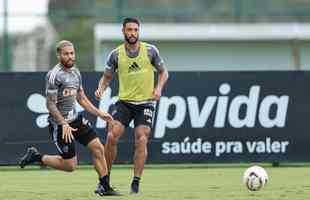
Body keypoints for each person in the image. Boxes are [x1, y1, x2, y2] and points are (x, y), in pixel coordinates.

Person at [19, 40, 120, 196]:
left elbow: (81, 98)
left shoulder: (75, 72)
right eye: (66, 54)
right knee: (70, 165)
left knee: (98, 147)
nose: (70, 56)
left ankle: (104, 186)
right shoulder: (54, 75)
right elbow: (50, 105)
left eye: (72, 53)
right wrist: (63, 123)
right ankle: (37, 157)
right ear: (59, 55)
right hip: (59, 125)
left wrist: (99, 113)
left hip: (75, 119)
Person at [95, 17, 169, 194]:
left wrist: (158, 88)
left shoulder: (150, 51)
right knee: (112, 135)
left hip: (145, 103)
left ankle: (135, 183)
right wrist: (101, 88)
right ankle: (105, 180)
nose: (133, 33)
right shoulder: (115, 54)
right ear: (123, 31)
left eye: (135, 30)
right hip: (125, 102)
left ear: (139, 31)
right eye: (129, 30)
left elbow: (164, 72)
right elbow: (106, 77)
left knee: (141, 137)